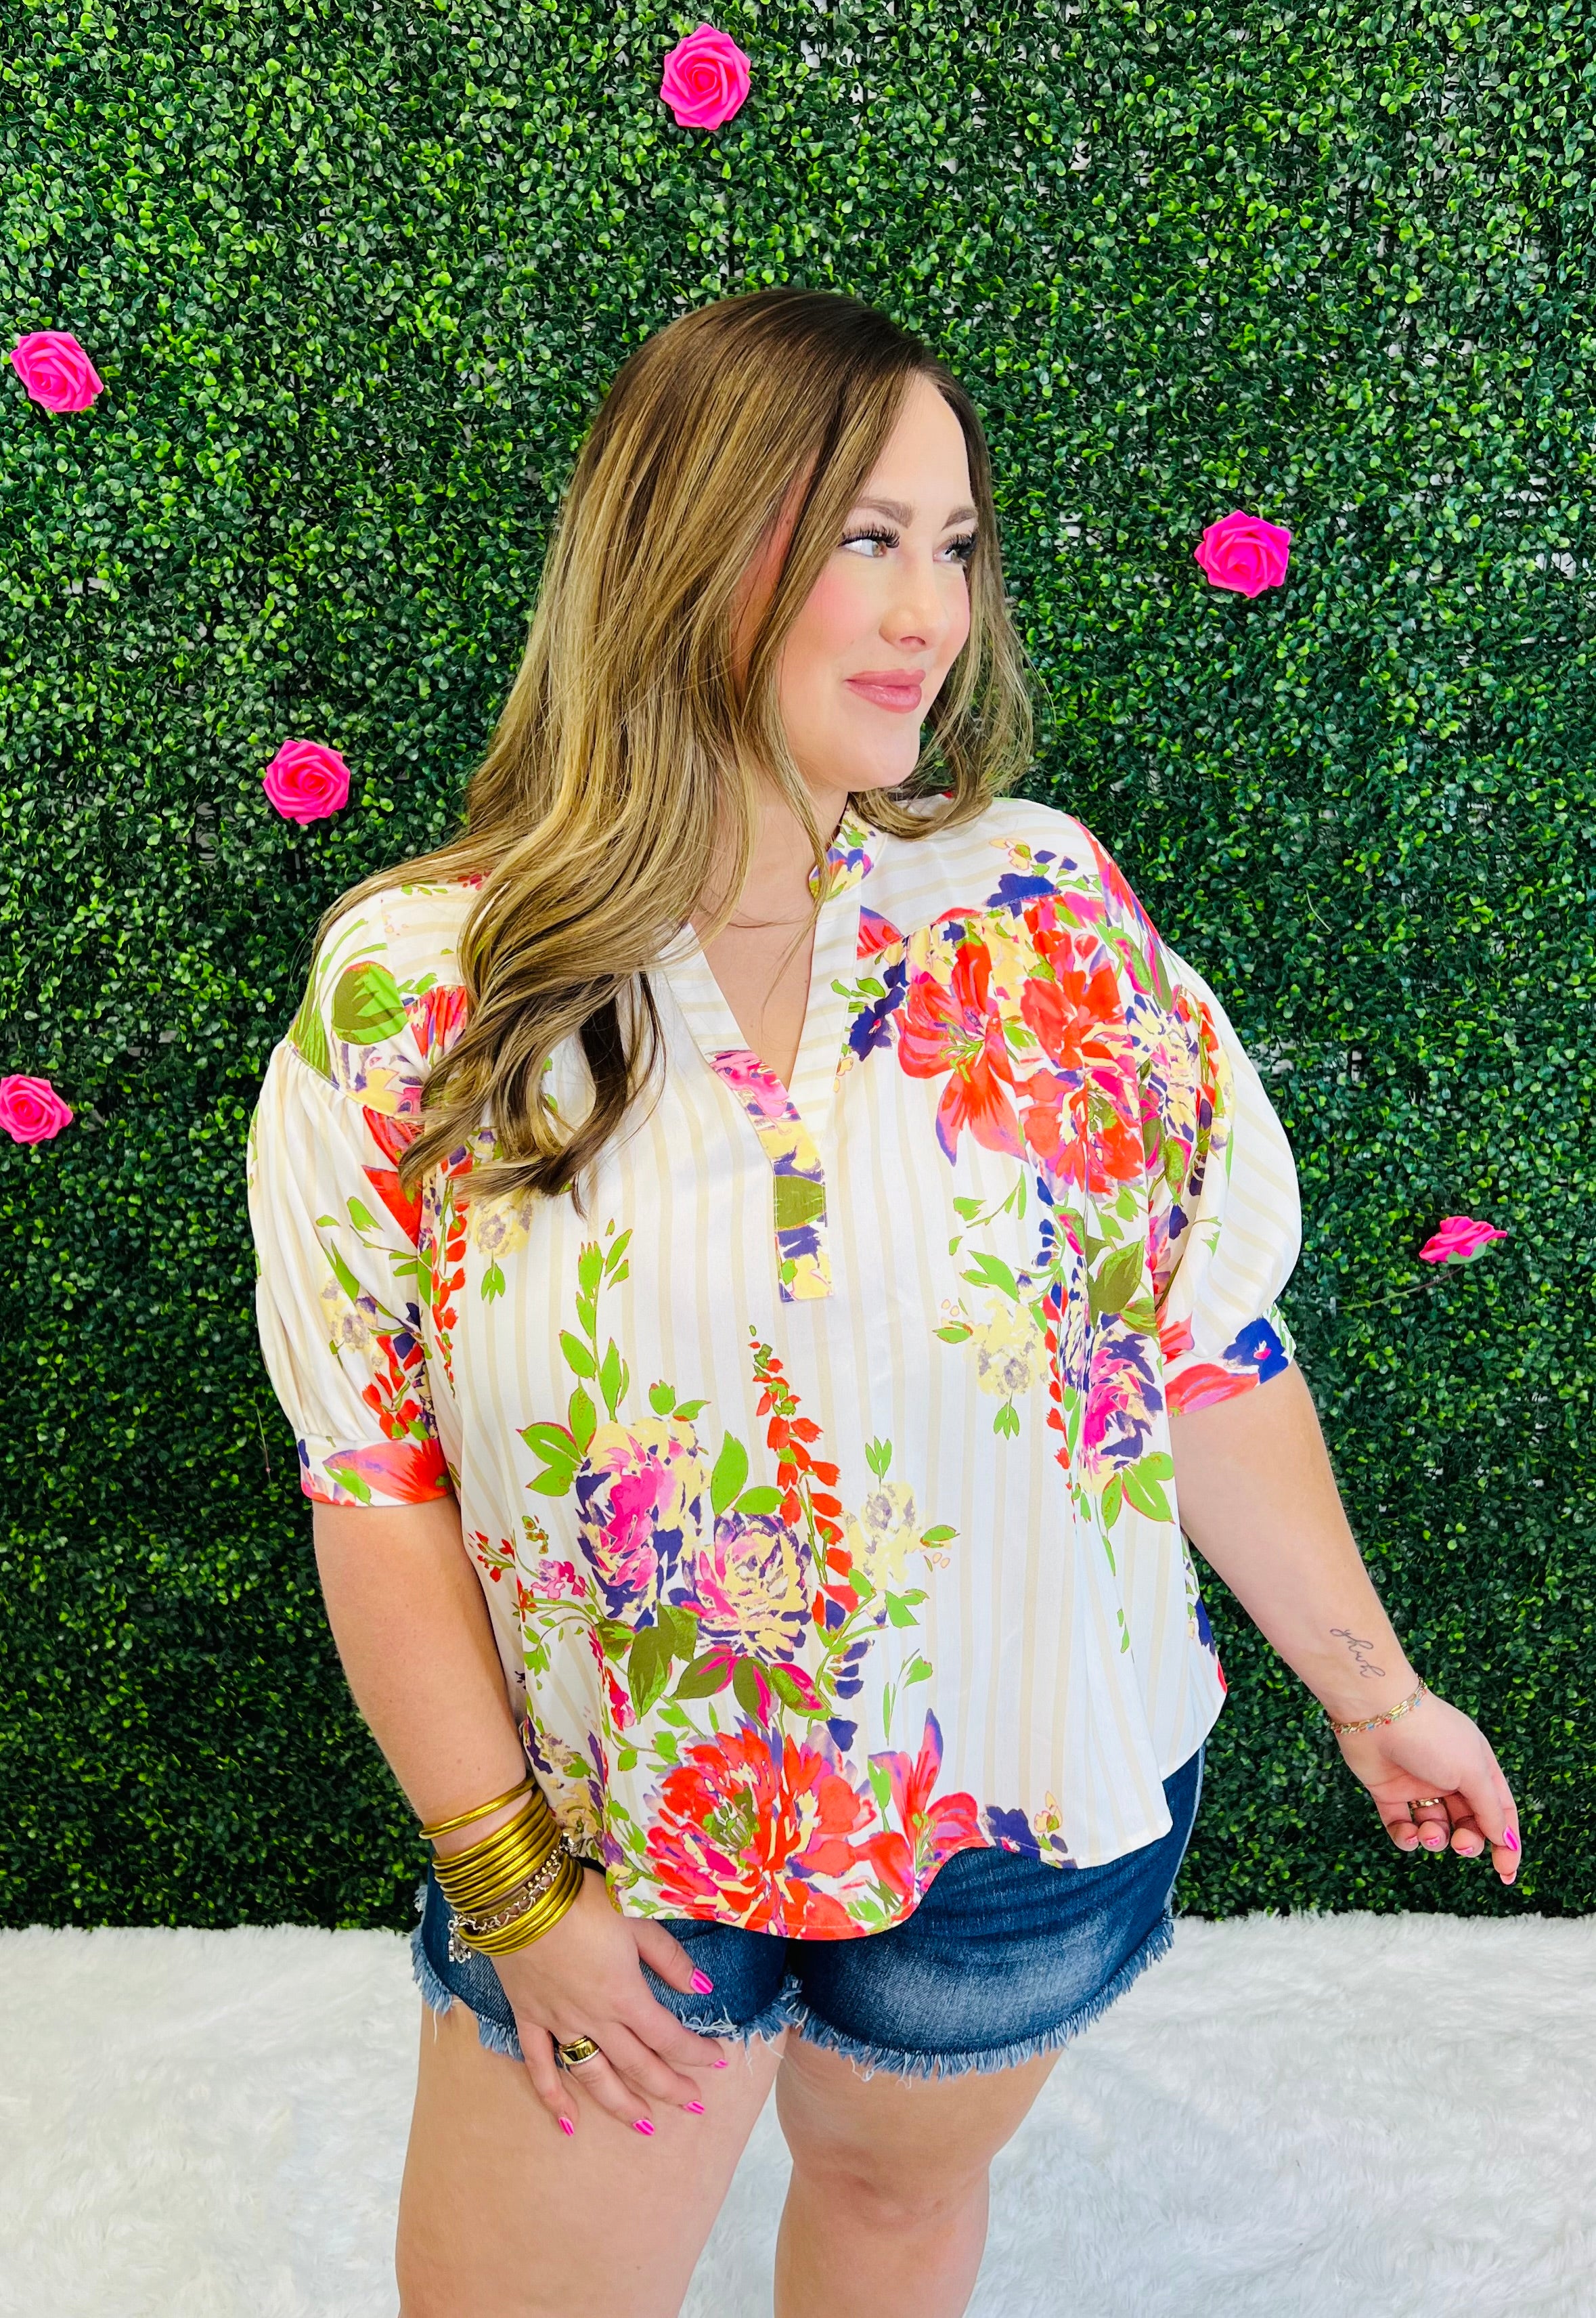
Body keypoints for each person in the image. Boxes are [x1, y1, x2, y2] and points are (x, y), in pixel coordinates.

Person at [246, 286, 1521, 2318]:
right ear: (683, 544)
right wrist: (511, 1885)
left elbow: (1194, 1353)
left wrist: (1375, 1693)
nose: (930, 612)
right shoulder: (425, 990)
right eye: (864, 538)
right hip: (617, 1847)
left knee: (898, 2209)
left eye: (955, 544)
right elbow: (372, 1472)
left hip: (1019, 1820)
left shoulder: (1043, 910)